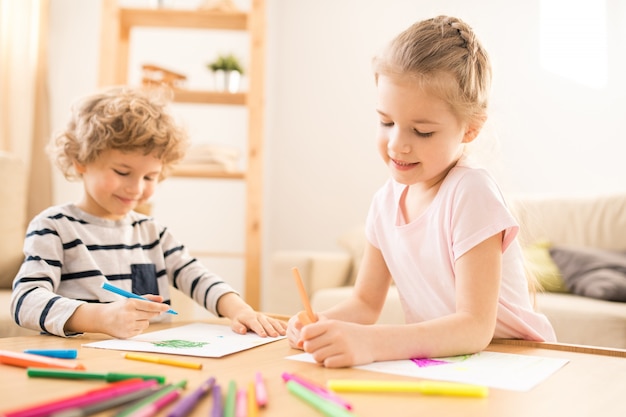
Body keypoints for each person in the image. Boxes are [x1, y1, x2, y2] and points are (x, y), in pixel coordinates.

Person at [286, 15, 556, 368]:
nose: (398, 144)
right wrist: (320, 323)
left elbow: (475, 328)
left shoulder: (471, 192)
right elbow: (366, 304)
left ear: (470, 129)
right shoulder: (384, 203)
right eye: (386, 122)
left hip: (515, 362)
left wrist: (368, 343)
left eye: (422, 131)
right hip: (451, 363)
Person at [10, 86, 287, 339]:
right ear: (80, 159)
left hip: (148, 358)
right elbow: (25, 300)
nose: (135, 188)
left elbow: (197, 276)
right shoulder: (54, 227)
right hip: (79, 361)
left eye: (150, 177)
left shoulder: (152, 232)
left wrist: (240, 311)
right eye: (122, 172)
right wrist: (100, 317)